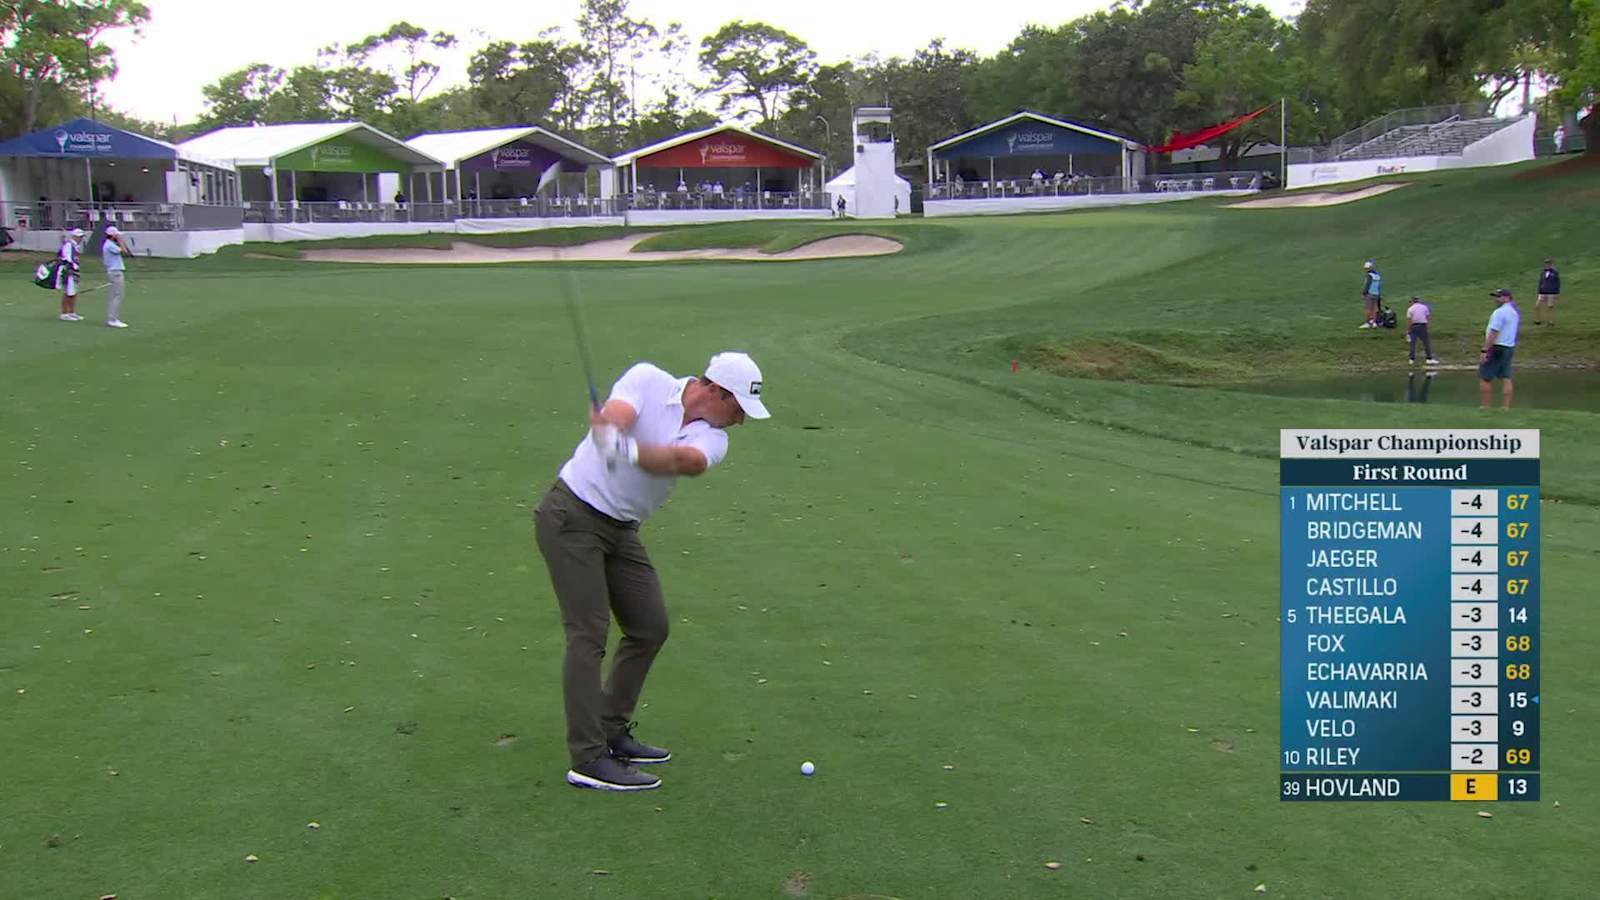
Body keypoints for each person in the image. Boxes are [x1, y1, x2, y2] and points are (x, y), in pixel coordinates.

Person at [534, 352, 770, 792]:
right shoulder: (647, 380)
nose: (740, 421)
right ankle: (587, 758)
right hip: (571, 516)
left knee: (650, 626)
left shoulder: (713, 438)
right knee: (588, 633)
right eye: (738, 408)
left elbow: (685, 462)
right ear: (715, 390)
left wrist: (625, 449)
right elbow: (620, 414)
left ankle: (610, 729)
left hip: (621, 530)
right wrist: (608, 429)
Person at [1479, 289, 1521, 409]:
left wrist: (1485, 350)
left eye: (1499, 297)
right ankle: (1505, 407)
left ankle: (1486, 406)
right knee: (1506, 377)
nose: (1496, 299)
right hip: (1509, 347)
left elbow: (1494, 332)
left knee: (1485, 377)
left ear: (1507, 298)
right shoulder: (1514, 313)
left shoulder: (1499, 312)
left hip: (1496, 346)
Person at [102, 225, 132, 329]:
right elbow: (124, 251)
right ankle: (112, 319)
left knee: (114, 296)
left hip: (114, 271)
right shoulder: (110, 245)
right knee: (117, 295)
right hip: (115, 272)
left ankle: (112, 318)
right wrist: (120, 240)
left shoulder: (109, 244)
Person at [56, 228, 85, 322]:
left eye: (81, 237)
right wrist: (73, 267)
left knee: (73, 292)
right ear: (74, 236)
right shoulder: (69, 245)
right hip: (69, 271)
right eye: (79, 237)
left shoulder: (75, 246)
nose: (80, 239)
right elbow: (67, 258)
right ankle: (64, 313)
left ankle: (71, 312)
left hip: (74, 272)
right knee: (68, 292)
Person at [1405, 296, 1439, 366]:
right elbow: (1427, 317)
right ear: (1419, 300)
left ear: (1412, 301)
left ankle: (1411, 359)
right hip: (1423, 326)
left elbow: (1409, 321)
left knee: (1413, 343)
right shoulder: (1424, 307)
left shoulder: (1410, 309)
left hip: (1414, 326)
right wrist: (1427, 326)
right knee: (1426, 343)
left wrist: (1408, 330)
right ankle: (1429, 359)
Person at [1534, 257, 1560, 326]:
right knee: (1537, 306)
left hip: (1551, 292)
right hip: (1543, 291)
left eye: (1549, 263)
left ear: (1551, 264)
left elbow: (1557, 283)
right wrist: (1539, 290)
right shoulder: (1542, 272)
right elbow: (1540, 282)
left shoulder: (1555, 272)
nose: (1547, 265)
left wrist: (1557, 293)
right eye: (1546, 263)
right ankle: (1537, 320)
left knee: (1550, 306)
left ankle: (1551, 321)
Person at [1359, 260, 1383, 328]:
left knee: (1368, 309)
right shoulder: (1377, 275)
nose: (1366, 269)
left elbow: (1367, 285)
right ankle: (1374, 322)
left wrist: (1364, 293)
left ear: (1370, 268)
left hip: (1369, 294)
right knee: (1374, 309)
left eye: (1367, 268)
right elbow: (1378, 285)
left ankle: (1368, 323)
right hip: (1376, 294)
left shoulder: (1369, 275)